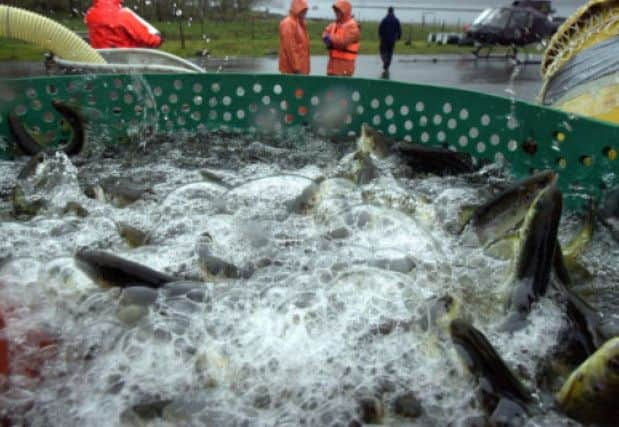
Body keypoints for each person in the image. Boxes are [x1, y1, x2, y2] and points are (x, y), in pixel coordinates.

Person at [84, 0, 163, 49]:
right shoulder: (123, 16)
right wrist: (158, 39)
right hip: (126, 63)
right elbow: (149, 40)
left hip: (102, 62)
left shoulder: (90, 15)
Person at [322, 0, 361, 77]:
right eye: (335, 11)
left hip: (345, 67)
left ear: (345, 11)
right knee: (330, 88)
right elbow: (324, 33)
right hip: (332, 66)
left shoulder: (353, 26)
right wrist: (327, 38)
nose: (336, 13)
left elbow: (343, 42)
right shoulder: (334, 24)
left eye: (338, 11)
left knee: (342, 88)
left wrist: (330, 38)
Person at [279, 0, 310, 75]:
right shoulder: (288, 23)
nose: (305, 12)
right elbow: (289, 47)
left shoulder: (300, 23)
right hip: (292, 71)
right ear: (297, 9)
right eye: (303, 9)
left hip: (301, 70)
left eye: (305, 10)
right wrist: (297, 68)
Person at [378, 7, 401, 76]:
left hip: (384, 39)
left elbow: (380, 29)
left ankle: (385, 62)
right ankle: (387, 65)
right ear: (393, 11)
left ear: (388, 11)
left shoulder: (384, 20)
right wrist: (398, 37)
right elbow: (399, 30)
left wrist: (380, 36)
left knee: (382, 52)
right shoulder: (396, 20)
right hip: (392, 40)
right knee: (390, 53)